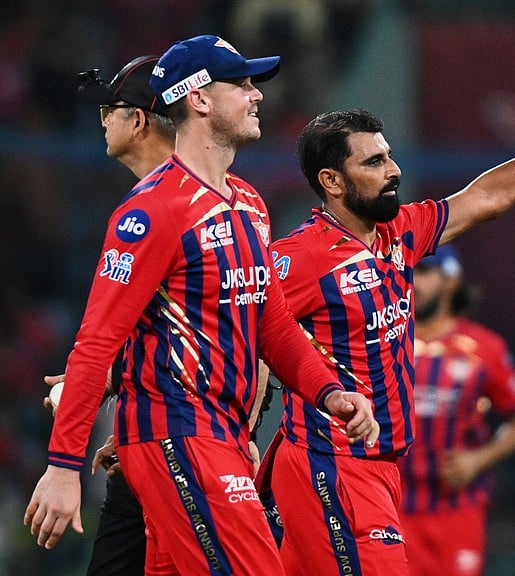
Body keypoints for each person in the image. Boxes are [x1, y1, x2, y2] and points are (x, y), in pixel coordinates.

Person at [24, 35, 378, 576]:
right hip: (180, 433)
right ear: (200, 99)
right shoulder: (151, 212)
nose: (255, 95)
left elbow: (272, 323)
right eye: (241, 84)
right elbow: (97, 341)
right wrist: (62, 467)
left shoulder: (249, 203)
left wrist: (329, 391)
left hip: (223, 437)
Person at [259, 88, 515, 575]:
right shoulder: (297, 259)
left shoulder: (400, 233)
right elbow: (248, 336)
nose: (394, 171)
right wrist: (236, 431)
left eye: (390, 157)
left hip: (381, 470)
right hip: (333, 466)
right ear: (332, 181)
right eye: (374, 162)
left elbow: (488, 196)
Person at [70, 53, 176, 576]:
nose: (101, 121)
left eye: (108, 109)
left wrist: (63, 467)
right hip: (148, 443)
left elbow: (251, 343)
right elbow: (181, 334)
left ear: (137, 120)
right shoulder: (227, 200)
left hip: (192, 451)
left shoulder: (159, 209)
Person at [399, 244, 515, 576]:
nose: (413, 281)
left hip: (457, 509)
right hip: (392, 505)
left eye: (425, 272)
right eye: (410, 272)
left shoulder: (484, 348)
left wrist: (478, 459)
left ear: (450, 281)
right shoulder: (384, 342)